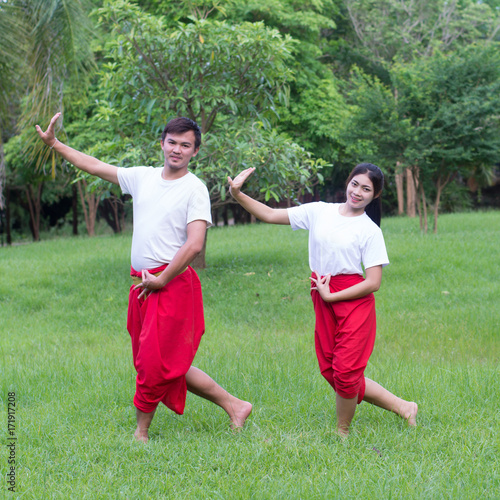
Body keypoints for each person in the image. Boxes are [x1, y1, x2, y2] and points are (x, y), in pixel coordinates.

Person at [36, 113, 252, 442]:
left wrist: (163, 279)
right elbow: (94, 165)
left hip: (173, 284)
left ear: (195, 152)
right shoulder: (143, 177)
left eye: (186, 145)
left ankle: (141, 433)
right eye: (172, 142)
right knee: (157, 361)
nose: (177, 149)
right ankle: (235, 405)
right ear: (162, 143)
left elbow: (195, 243)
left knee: (154, 363)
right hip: (142, 285)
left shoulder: (195, 189)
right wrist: (55, 144)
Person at [228, 164, 417, 437]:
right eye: (355, 184)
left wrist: (332, 295)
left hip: (353, 300)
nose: (358, 192)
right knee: (331, 369)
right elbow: (269, 214)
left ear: (375, 196)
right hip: (322, 294)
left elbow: (373, 282)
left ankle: (342, 433)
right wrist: (237, 194)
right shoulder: (320, 211)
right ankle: (404, 407)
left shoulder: (370, 230)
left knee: (346, 371)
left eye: (366, 189)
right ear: (347, 182)